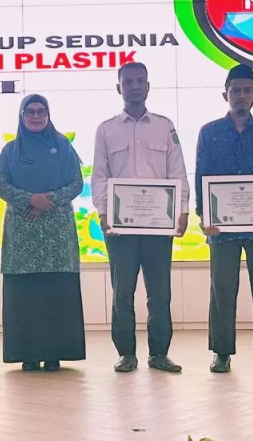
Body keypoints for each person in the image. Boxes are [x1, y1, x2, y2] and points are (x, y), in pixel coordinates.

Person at [91, 61, 189, 374]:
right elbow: (99, 175)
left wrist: (182, 210)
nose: (134, 86)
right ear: (119, 87)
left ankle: (159, 354)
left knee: (160, 293)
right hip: (119, 228)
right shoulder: (106, 129)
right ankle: (126, 354)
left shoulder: (164, 126)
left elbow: (177, 171)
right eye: (128, 82)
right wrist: (103, 212)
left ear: (148, 86)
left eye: (140, 81)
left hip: (159, 226)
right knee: (122, 293)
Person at [195, 64, 253, 374]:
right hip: (221, 226)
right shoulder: (209, 132)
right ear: (225, 94)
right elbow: (201, 176)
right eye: (236, 91)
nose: (241, 96)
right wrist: (204, 216)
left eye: (247, 90)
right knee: (222, 290)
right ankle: (221, 352)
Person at [0, 94, 86, 371]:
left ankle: (54, 353)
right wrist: (30, 199)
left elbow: (77, 183)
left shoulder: (63, 145)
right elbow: (1, 186)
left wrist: (48, 200)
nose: (36, 116)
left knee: (55, 292)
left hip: (56, 233)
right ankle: (28, 354)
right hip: (23, 233)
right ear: (22, 116)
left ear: (48, 115)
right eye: (30, 112)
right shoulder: (11, 150)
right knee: (26, 294)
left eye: (41, 111)